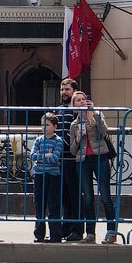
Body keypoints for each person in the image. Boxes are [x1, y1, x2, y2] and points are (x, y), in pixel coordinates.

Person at [70, 91, 117, 244]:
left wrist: (95, 113)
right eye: (78, 100)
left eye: (84, 99)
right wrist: (78, 138)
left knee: (105, 196)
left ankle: (112, 232)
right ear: (74, 106)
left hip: (100, 158)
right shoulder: (74, 124)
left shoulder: (97, 115)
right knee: (88, 198)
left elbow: (104, 131)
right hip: (83, 161)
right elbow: (72, 150)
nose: (82, 102)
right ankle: (90, 233)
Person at [55, 78, 84, 242]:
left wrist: (62, 144)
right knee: (64, 197)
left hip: (73, 158)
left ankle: (77, 230)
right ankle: (65, 229)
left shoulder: (76, 110)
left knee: (75, 196)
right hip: (60, 158)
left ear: (74, 91)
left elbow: (74, 131)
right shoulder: (58, 109)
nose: (64, 93)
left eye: (67, 89)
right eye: (62, 89)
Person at [31, 113, 64, 243]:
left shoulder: (58, 140)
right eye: (42, 124)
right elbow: (33, 156)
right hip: (39, 175)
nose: (44, 127)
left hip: (53, 175)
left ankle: (55, 235)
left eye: (47, 124)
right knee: (39, 204)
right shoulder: (38, 140)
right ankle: (39, 234)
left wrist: (41, 156)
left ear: (55, 126)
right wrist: (46, 155)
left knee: (53, 205)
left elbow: (55, 158)